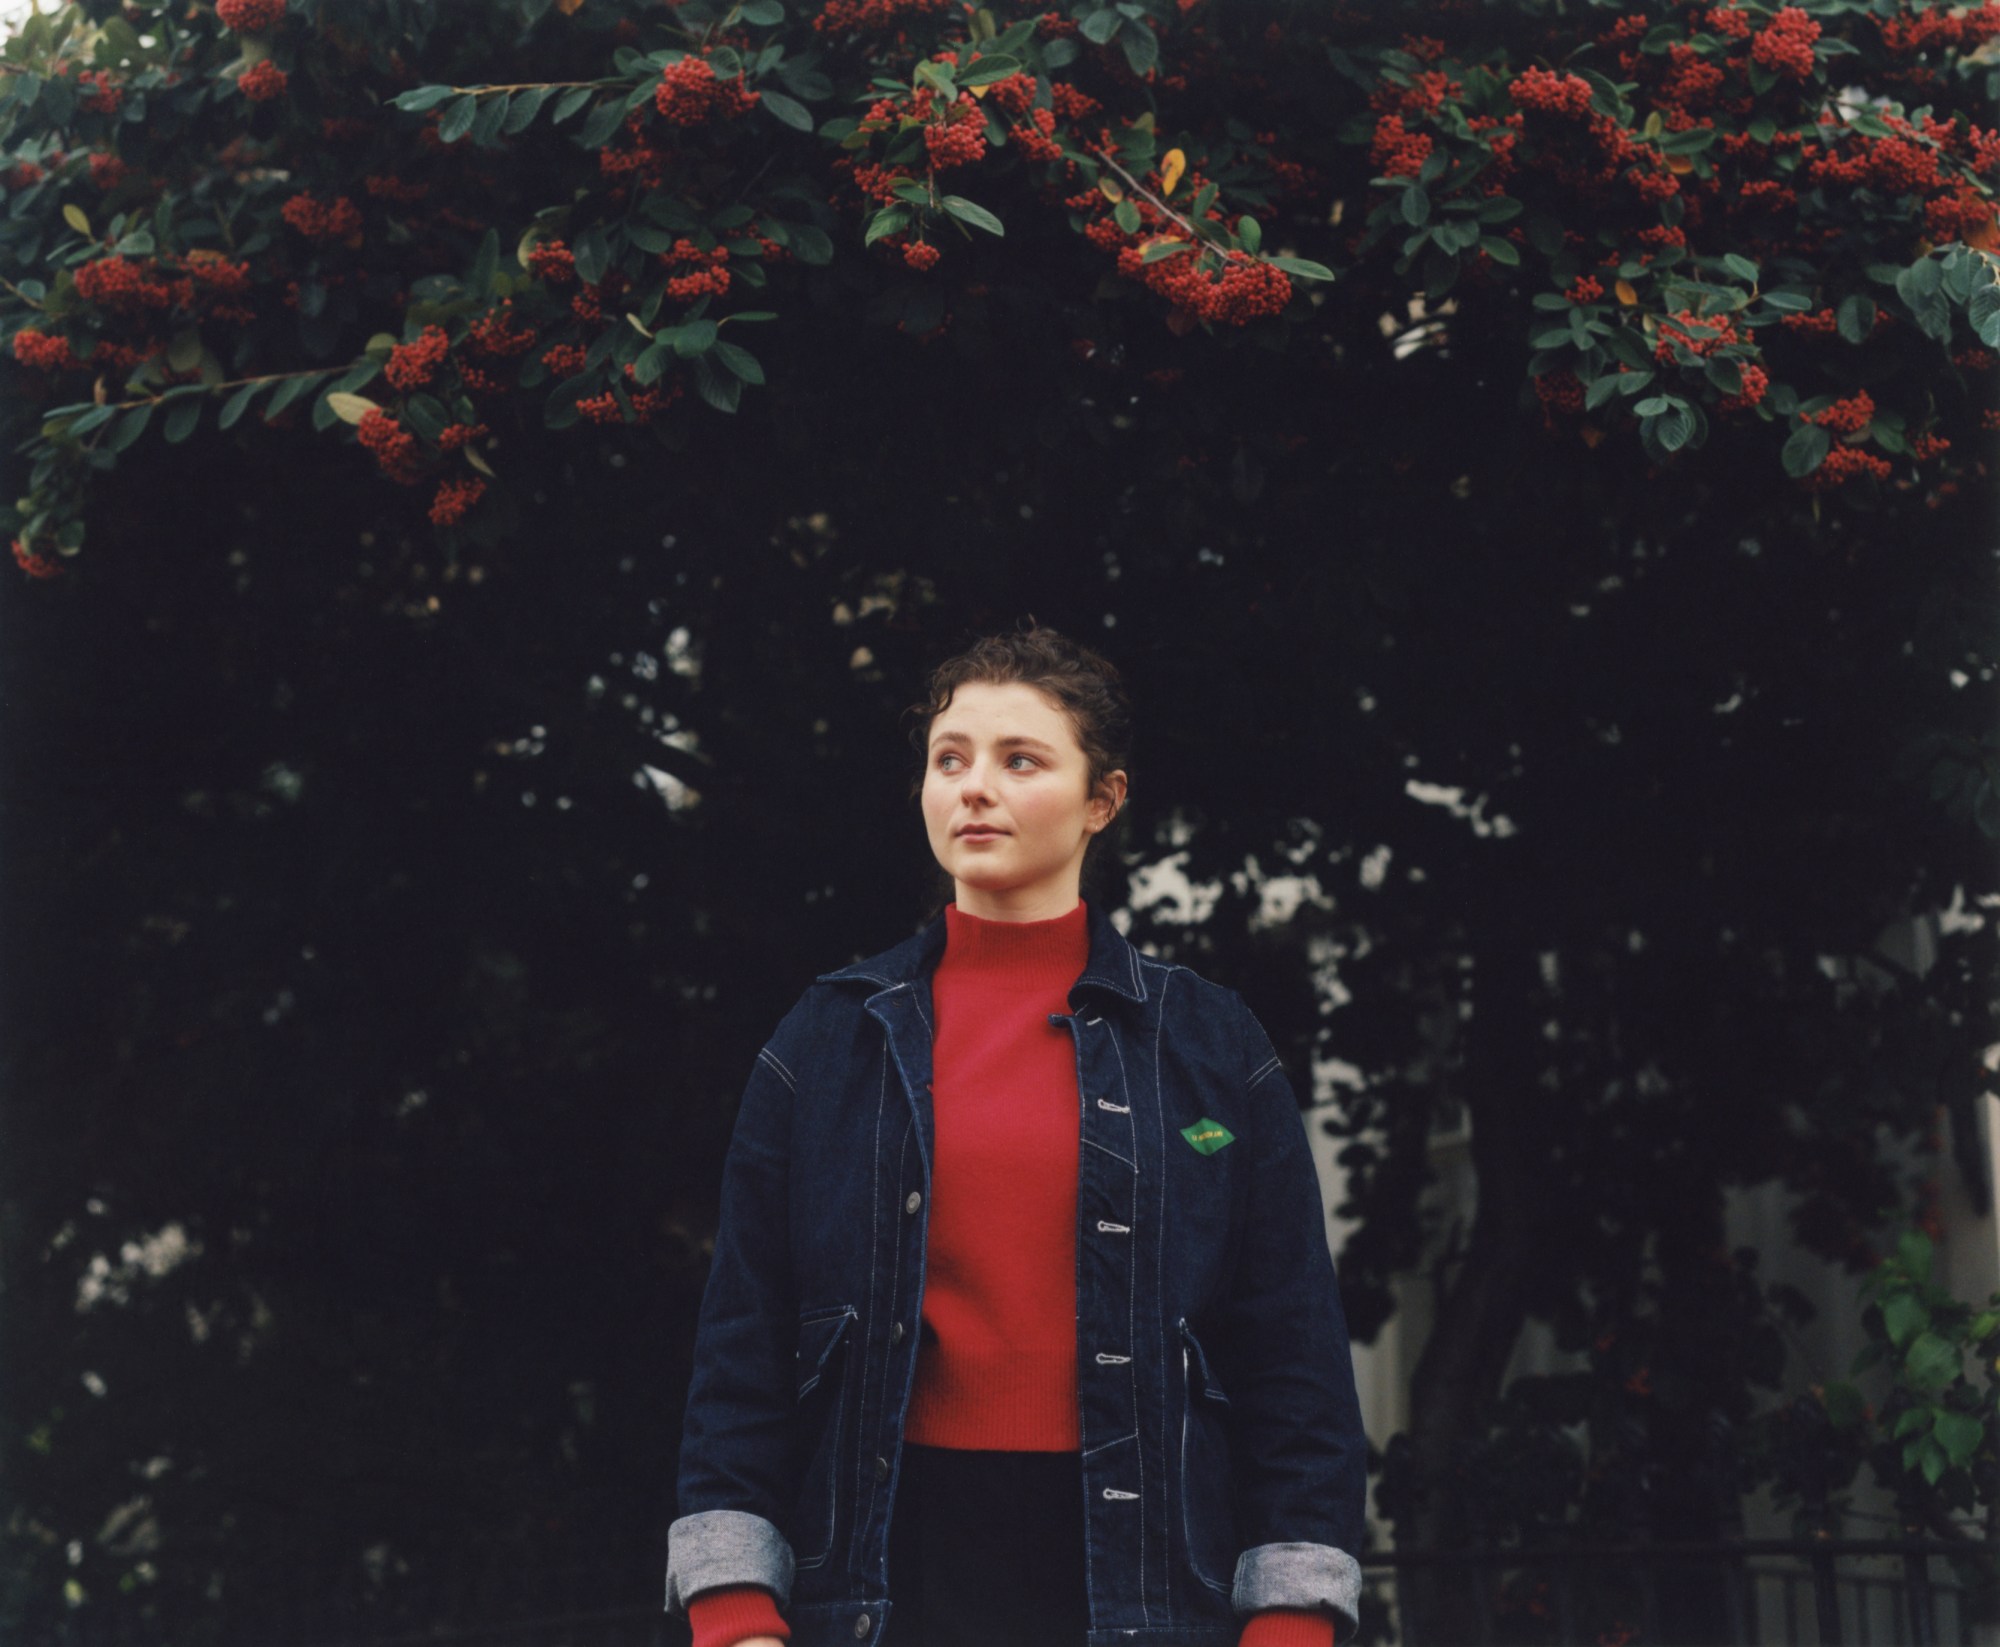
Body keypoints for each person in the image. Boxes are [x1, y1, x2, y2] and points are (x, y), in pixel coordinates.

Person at [664, 622, 1367, 1647]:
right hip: (890, 1565)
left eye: (1018, 760)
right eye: (948, 759)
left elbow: (1290, 1353)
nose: (972, 787)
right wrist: (732, 1606)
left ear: (1102, 801)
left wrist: (1294, 1618)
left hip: (1145, 1576)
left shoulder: (1211, 1048)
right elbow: (744, 1345)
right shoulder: (824, 1042)